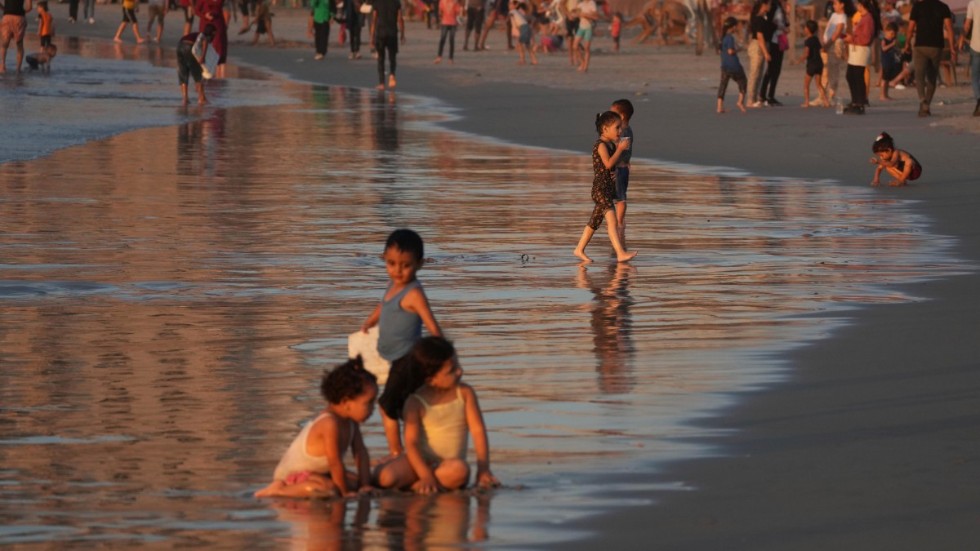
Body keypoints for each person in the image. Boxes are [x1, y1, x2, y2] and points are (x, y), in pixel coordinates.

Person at [372, 337, 501, 494]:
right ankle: (424, 483)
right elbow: (411, 444)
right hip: (420, 461)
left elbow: (478, 431)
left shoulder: (465, 393)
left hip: (448, 465)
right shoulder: (415, 402)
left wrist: (483, 469)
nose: (460, 371)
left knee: (460, 471)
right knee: (384, 477)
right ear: (430, 380)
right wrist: (425, 474)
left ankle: (416, 487)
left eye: (458, 365)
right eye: (452, 370)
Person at [362, 229, 443, 457]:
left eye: (405, 265)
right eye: (391, 263)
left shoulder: (414, 293)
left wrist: (443, 354)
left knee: (386, 406)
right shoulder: (393, 285)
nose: (397, 270)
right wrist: (369, 322)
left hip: (408, 359)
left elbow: (432, 325)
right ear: (384, 259)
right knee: (406, 407)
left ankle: (397, 453)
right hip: (394, 359)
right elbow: (384, 305)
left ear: (419, 265)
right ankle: (414, 451)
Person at [254, 357, 378, 499]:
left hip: (319, 473)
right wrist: (344, 493)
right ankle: (277, 490)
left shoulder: (351, 422)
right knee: (329, 491)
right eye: (369, 403)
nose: (373, 409)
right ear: (346, 402)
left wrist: (364, 485)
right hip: (293, 476)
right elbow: (335, 462)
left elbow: (360, 453)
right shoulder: (329, 424)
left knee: (357, 481)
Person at [573, 111, 638, 263]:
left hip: (607, 190)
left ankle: (579, 249)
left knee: (593, 223)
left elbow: (610, 166)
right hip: (600, 190)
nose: (620, 131)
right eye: (617, 128)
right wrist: (620, 149)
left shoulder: (610, 145)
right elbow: (608, 162)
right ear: (605, 129)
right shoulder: (601, 145)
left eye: (621, 128)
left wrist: (616, 170)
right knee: (612, 220)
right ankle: (620, 253)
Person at [905, 0, 955, 116]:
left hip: (920, 45)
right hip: (936, 47)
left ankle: (923, 100)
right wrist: (952, 47)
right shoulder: (943, 7)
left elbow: (910, 28)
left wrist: (907, 43)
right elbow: (949, 28)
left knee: (919, 75)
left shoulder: (917, 7)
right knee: (932, 76)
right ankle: (926, 105)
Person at [609, 99, 635, 251]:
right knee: (619, 196)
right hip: (623, 167)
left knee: (620, 197)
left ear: (623, 116)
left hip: (620, 168)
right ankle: (620, 221)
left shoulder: (624, 131)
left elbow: (622, 149)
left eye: (614, 114)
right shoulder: (627, 129)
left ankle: (619, 222)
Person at [842, 0, 874, 114]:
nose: (856, 6)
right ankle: (855, 100)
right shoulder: (862, 17)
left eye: (858, 4)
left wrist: (852, 39)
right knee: (850, 75)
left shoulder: (868, 19)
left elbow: (866, 38)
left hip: (861, 50)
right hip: (855, 49)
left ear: (862, 5)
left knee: (858, 76)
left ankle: (860, 103)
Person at [177, 23, 215, 104]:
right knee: (197, 74)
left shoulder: (196, 35)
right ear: (212, 33)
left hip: (179, 47)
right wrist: (203, 56)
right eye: (214, 34)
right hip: (189, 47)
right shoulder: (204, 36)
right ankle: (201, 99)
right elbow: (205, 41)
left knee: (183, 73)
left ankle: (185, 99)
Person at [717, 16, 748, 113]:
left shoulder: (722, 38)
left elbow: (720, 51)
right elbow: (730, 51)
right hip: (734, 65)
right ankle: (740, 102)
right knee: (743, 81)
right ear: (733, 27)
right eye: (736, 26)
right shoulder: (730, 38)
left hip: (724, 65)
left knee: (723, 85)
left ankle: (719, 107)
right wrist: (739, 49)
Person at [759, 0, 788, 105]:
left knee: (777, 69)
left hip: (780, 40)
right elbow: (769, 23)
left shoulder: (780, 7)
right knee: (771, 69)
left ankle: (771, 95)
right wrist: (779, 27)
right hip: (774, 41)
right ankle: (763, 94)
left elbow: (782, 22)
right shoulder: (773, 6)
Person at [371, 0, 404, 90]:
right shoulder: (396, 2)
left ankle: (381, 83)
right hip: (392, 33)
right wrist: (402, 34)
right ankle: (392, 74)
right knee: (392, 57)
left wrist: (372, 38)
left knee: (381, 58)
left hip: (380, 33)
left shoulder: (377, 2)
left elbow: (374, 20)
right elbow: (400, 18)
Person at [822, 0, 850, 104]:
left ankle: (831, 96)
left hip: (834, 45)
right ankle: (822, 96)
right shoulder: (833, 15)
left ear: (842, 4)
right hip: (828, 44)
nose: (833, 6)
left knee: (833, 71)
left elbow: (837, 33)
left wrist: (827, 44)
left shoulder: (842, 17)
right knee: (824, 72)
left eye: (836, 4)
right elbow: (828, 29)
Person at [747, 0, 773, 107]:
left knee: (759, 73)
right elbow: (759, 36)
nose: (770, 6)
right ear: (764, 5)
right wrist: (766, 52)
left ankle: (755, 98)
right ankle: (750, 99)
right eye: (769, 4)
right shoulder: (758, 19)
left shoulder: (764, 17)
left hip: (761, 45)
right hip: (758, 46)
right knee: (754, 73)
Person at [798, 19, 829, 107]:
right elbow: (821, 49)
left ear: (807, 29)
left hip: (811, 65)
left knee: (806, 84)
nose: (804, 29)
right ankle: (826, 102)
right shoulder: (815, 39)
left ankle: (806, 102)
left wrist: (800, 59)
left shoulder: (807, 41)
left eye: (805, 28)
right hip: (819, 64)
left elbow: (806, 53)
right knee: (819, 84)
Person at [195, 0, 227, 78]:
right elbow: (196, 10)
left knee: (218, 47)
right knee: (204, 47)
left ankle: (219, 76)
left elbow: (222, 8)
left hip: (218, 24)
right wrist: (205, 15)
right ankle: (206, 72)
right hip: (205, 23)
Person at [1, 0, 33, 74]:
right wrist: (23, 11)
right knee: (19, 44)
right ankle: (18, 69)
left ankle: (2, 66)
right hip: (19, 17)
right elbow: (30, 7)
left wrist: (4, 9)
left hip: (7, 16)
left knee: (4, 43)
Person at [959, 0, 980, 116]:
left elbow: (967, 25)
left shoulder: (973, 3)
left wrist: (961, 39)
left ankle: (979, 99)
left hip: (976, 45)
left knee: (975, 78)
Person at [571, 0, 597, 72]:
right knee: (575, 46)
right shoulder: (580, 4)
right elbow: (574, 13)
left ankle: (586, 66)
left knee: (586, 48)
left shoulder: (592, 3)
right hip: (581, 27)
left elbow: (595, 16)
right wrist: (574, 14)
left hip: (589, 27)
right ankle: (582, 62)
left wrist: (585, 15)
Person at [509, 0, 536, 65]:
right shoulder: (518, 12)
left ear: (516, 5)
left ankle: (522, 59)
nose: (510, 6)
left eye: (511, 4)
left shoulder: (512, 12)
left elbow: (513, 23)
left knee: (520, 44)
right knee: (527, 45)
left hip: (523, 28)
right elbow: (531, 18)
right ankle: (534, 60)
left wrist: (514, 31)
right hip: (525, 27)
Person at [879, 22, 901, 100]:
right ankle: (882, 95)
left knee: (887, 79)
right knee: (884, 80)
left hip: (890, 61)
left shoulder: (893, 40)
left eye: (894, 34)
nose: (892, 36)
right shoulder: (884, 40)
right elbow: (883, 48)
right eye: (891, 34)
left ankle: (886, 94)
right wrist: (892, 44)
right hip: (885, 62)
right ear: (887, 31)